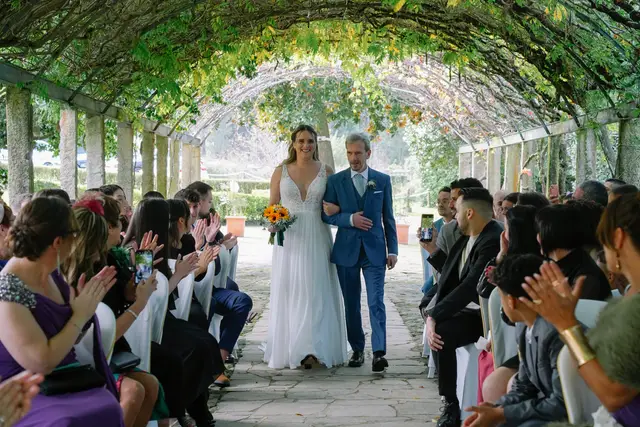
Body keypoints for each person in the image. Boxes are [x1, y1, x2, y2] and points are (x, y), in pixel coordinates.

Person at [0, 196, 124, 426]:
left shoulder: (54, 276)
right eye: (74, 236)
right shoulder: (7, 291)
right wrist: (80, 315)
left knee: (109, 407)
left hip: (62, 379)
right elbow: (42, 362)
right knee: (66, 421)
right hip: (20, 391)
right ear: (58, 242)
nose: (76, 243)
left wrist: (85, 307)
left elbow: (67, 337)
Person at [520, 194, 640, 426]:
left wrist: (567, 324)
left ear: (618, 238)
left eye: (603, 240)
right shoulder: (631, 295)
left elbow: (614, 396)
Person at [123, 198, 218, 427]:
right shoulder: (135, 250)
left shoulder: (157, 245)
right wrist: (176, 275)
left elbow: (159, 295)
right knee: (193, 350)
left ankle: (190, 409)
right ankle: (183, 411)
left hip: (160, 315)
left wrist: (180, 273)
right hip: (141, 321)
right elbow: (144, 294)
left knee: (205, 342)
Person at [263, 124, 348, 370]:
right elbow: (272, 205)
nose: (305, 145)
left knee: (316, 289)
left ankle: (315, 348)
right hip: (290, 238)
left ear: (315, 143)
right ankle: (293, 347)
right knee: (292, 289)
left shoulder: (326, 171)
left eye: (310, 141)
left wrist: (337, 209)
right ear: (293, 143)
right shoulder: (280, 171)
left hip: (318, 235)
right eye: (301, 141)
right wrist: (273, 223)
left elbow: (338, 204)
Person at [420, 188, 502, 427]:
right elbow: (453, 274)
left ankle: (451, 405)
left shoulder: (492, 239)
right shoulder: (468, 236)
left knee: (441, 332)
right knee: (433, 316)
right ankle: (449, 399)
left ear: (469, 213)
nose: (453, 215)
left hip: (485, 316)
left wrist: (434, 315)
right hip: (466, 309)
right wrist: (433, 250)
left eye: (456, 210)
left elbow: (469, 286)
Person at [322, 131, 398, 372]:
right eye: (349, 153)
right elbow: (325, 215)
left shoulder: (382, 180)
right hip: (346, 251)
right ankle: (357, 349)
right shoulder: (335, 181)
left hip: (375, 251)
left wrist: (393, 250)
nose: (353, 158)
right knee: (351, 304)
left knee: (376, 301)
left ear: (368, 153)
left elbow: (389, 218)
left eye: (357, 153)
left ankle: (378, 353)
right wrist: (349, 219)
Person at [464, 254, 567, 427]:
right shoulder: (524, 326)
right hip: (546, 409)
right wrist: (495, 408)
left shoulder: (555, 334)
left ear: (511, 301)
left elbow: (561, 404)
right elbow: (524, 386)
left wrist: (501, 414)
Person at [535, 204, 611, 301]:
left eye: (540, 231)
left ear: (552, 235)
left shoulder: (585, 278)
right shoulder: (568, 262)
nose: (537, 237)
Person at [420, 187, 454, 294]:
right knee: (427, 289)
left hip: (450, 273)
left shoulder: (460, 227)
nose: (440, 205)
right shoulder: (433, 226)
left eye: (445, 201)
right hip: (435, 274)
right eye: (438, 201)